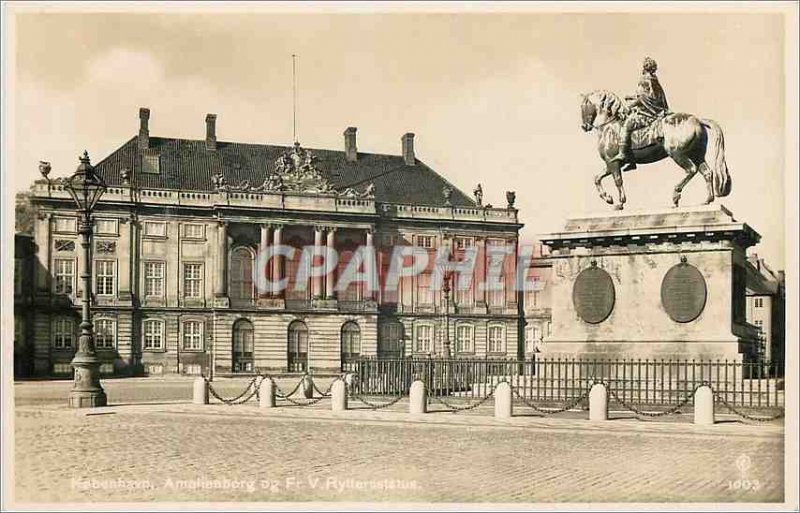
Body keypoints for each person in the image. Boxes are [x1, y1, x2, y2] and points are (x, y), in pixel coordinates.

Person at [610, 57, 669, 171]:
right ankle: (632, 161)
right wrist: (631, 96)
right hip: (657, 111)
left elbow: (642, 98)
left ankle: (623, 154)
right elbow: (649, 96)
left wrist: (629, 106)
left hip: (647, 114)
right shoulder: (653, 79)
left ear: (645, 67)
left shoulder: (643, 80)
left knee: (626, 125)